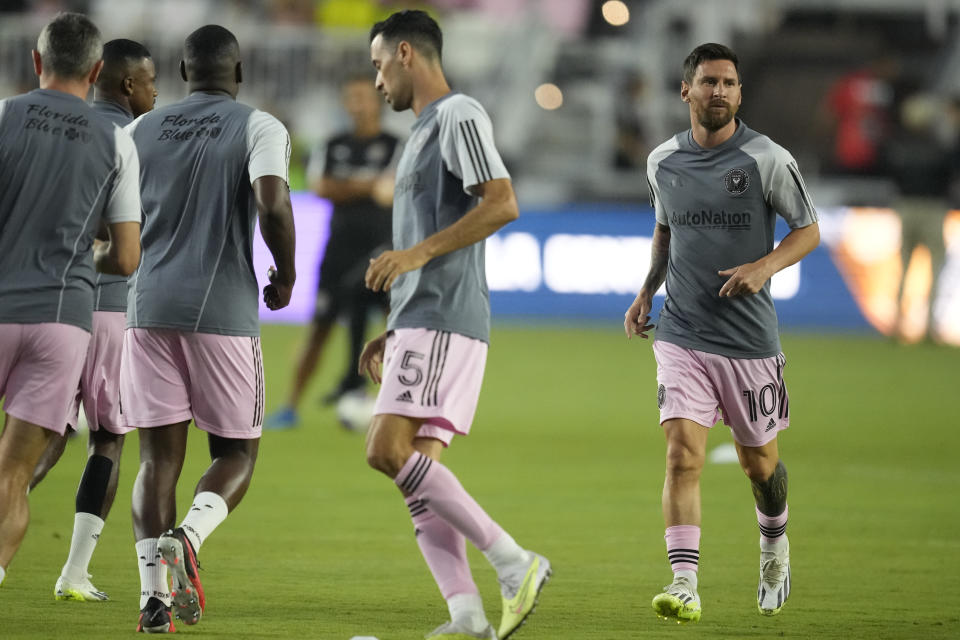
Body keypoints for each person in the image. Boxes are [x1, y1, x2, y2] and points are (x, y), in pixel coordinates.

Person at [359, 11, 550, 640]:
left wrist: (415, 259)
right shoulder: (418, 134)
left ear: (407, 53)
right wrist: (396, 322)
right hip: (422, 318)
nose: (377, 79)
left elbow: (502, 201)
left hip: (446, 317)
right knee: (419, 479)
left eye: (380, 64)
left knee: (385, 451)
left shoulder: (458, 114)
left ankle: (513, 561)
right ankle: (466, 618)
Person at [624, 43, 820, 623]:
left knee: (760, 467)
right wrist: (645, 291)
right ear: (686, 91)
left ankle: (774, 542)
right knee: (682, 454)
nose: (720, 92)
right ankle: (684, 582)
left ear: (740, 93)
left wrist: (764, 267)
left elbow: (808, 231)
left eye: (730, 83)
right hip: (683, 332)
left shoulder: (767, 158)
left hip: (749, 342)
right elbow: (665, 233)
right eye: (708, 82)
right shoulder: (662, 160)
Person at [123, 24, 295, 633]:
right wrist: (287, 273)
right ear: (239, 73)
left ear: (180, 73)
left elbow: (111, 217)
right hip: (220, 311)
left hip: (144, 308)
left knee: (155, 462)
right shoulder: (260, 125)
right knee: (236, 452)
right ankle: (189, 537)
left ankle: (155, 602)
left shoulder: (138, 130)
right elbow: (271, 201)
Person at [0, 12, 142, 588]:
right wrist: (84, 260)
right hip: (63, 321)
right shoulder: (116, 142)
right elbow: (127, 258)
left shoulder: (4, 116)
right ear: (97, 70)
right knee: (13, 473)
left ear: (37, 62)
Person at [266, 75, 397, 429]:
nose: (357, 105)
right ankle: (290, 406)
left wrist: (350, 185)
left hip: (383, 252)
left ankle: (397, 406)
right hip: (337, 252)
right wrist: (370, 185)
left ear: (377, 102)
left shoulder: (396, 145)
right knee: (319, 329)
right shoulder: (333, 144)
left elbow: (393, 190)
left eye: (363, 98)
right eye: (350, 98)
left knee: (394, 329)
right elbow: (322, 186)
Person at [884, 92, 950, 342]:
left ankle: (895, 326)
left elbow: (892, 174)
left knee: (904, 267)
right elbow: (948, 173)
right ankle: (931, 328)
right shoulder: (940, 145)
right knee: (935, 268)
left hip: (906, 206)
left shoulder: (900, 145)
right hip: (932, 208)